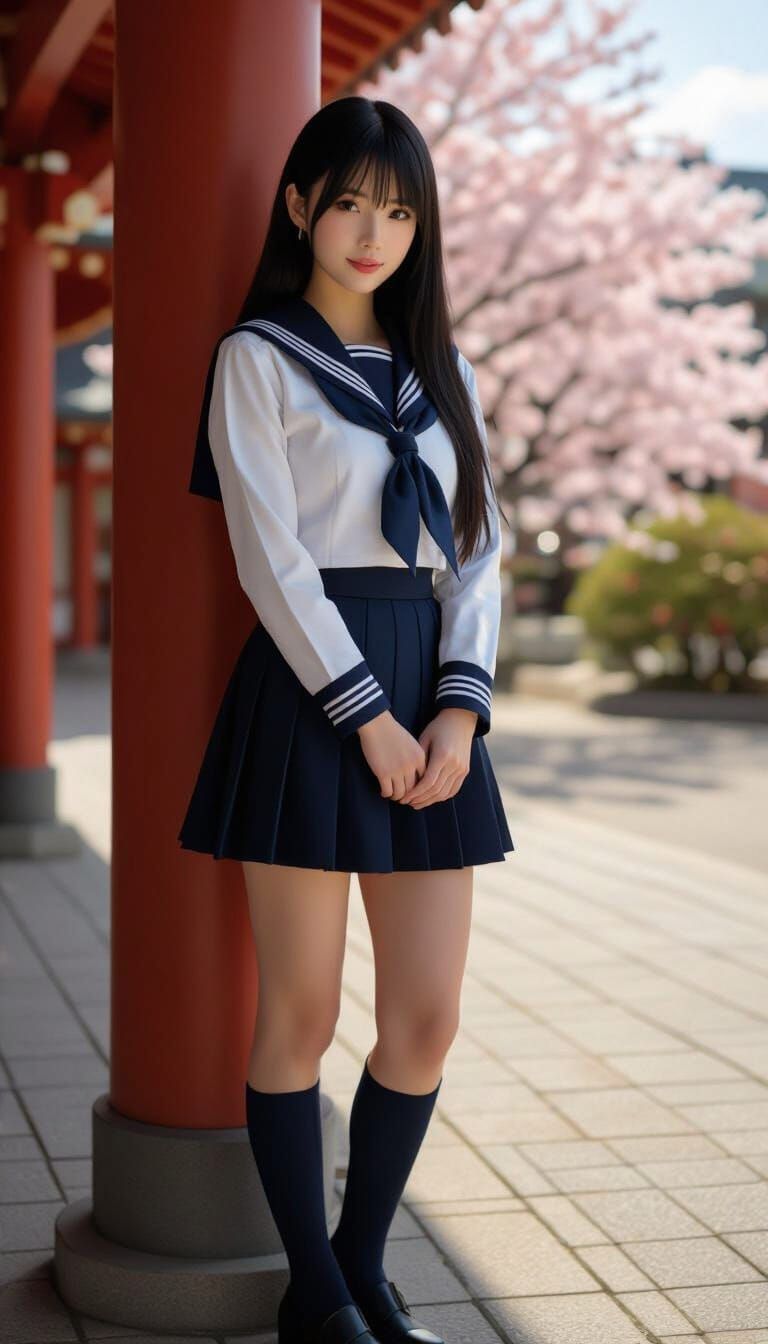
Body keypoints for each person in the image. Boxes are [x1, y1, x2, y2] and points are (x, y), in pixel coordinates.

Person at [177, 96, 515, 1344]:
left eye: (401, 209)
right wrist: (367, 716)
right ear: (300, 205)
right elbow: (269, 559)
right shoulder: (257, 359)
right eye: (353, 202)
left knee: (425, 1018)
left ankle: (362, 1265)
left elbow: (480, 553)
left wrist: (457, 718)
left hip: (434, 699)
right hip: (315, 690)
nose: (374, 232)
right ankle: (314, 1296)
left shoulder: (447, 370)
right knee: (301, 1014)